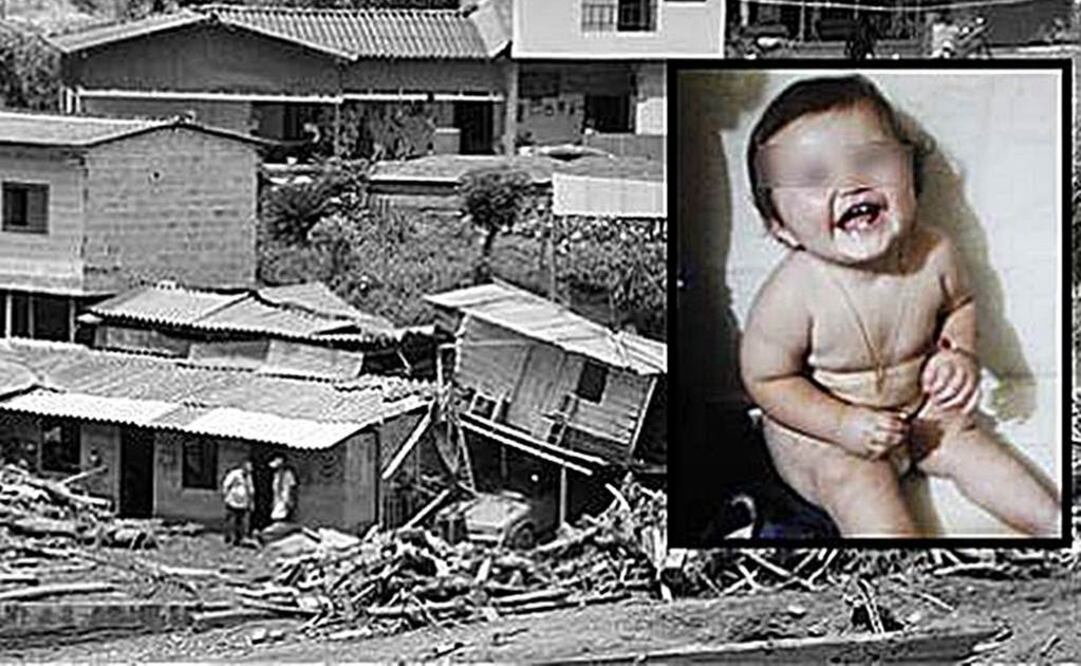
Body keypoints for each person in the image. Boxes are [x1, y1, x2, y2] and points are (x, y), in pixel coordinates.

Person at [739, 75, 1061, 538]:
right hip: (828, 435)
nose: (850, 183)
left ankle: (1053, 524)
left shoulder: (935, 254)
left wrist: (959, 353)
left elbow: (961, 305)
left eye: (870, 158)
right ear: (781, 228)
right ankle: (896, 565)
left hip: (918, 411)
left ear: (911, 171)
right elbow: (767, 380)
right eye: (813, 177)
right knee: (856, 482)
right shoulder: (793, 293)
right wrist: (843, 424)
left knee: (970, 443)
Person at [221, 461, 254, 546]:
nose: (249, 470)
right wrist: (225, 496)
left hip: (243, 502)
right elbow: (226, 485)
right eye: (248, 468)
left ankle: (238, 539)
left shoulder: (249, 476)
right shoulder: (235, 474)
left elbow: (251, 490)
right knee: (230, 519)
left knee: (240, 521)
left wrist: (250, 502)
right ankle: (228, 538)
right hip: (232, 501)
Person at [269, 455, 298, 523]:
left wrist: (291, 500)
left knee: (281, 517)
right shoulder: (276, 475)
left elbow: (292, 488)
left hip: (285, 500)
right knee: (275, 517)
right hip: (277, 499)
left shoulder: (288, 474)